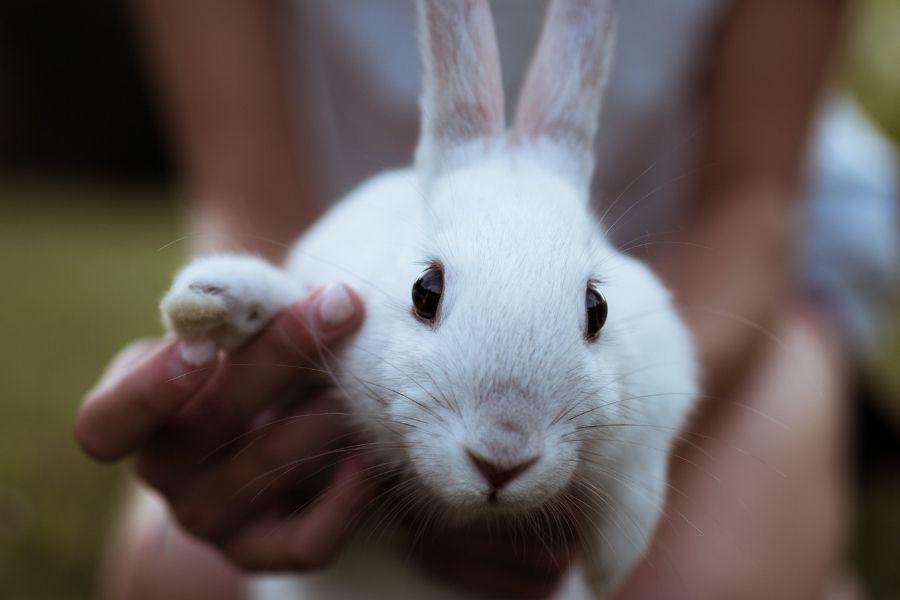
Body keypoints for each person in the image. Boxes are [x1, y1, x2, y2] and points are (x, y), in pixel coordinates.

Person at [76, 0, 897, 598]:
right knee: (179, 576)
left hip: (723, 262)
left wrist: (620, 456)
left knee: (709, 582)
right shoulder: (376, 246)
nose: (499, 453)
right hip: (368, 209)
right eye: (430, 297)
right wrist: (246, 356)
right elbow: (251, 199)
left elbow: (752, 201)